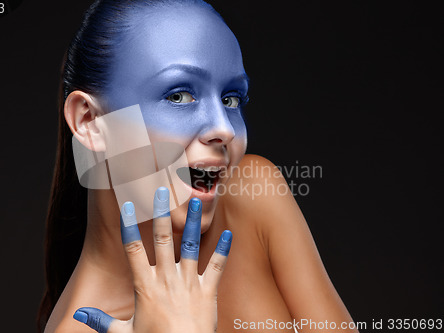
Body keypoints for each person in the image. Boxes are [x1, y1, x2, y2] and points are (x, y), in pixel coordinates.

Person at [38, 0, 358, 332]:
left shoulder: (252, 191)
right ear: (90, 121)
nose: (225, 128)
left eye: (230, 98)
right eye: (178, 96)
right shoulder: (80, 327)